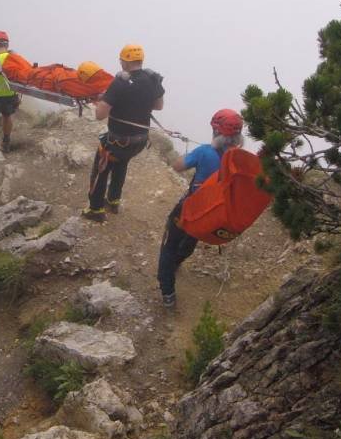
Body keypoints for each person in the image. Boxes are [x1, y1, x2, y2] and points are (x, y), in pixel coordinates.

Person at [157, 109, 244, 307]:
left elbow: (177, 166)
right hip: (213, 213)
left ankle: (168, 293)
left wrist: (188, 153)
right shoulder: (238, 159)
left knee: (169, 246)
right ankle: (177, 262)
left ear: (216, 131)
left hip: (191, 208)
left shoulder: (204, 152)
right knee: (191, 239)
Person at [83, 44, 164, 221]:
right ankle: (113, 201)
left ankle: (95, 209)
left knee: (102, 169)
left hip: (117, 141)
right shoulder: (153, 79)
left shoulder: (120, 82)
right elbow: (159, 106)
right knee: (121, 163)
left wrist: (108, 100)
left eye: (121, 60)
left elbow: (100, 115)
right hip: (140, 141)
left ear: (126, 62)